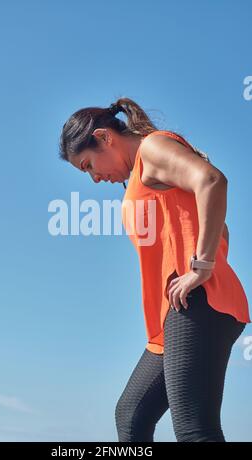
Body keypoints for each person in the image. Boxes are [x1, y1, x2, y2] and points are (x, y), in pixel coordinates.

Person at [58, 97, 250, 442]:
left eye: (88, 165)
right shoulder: (139, 176)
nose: (94, 178)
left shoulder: (153, 148)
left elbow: (211, 181)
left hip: (198, 302)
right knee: (131, 416)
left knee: (195, 429)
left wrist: (202, 267)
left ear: (104, 138)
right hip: (175, 312)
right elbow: (221, 229)